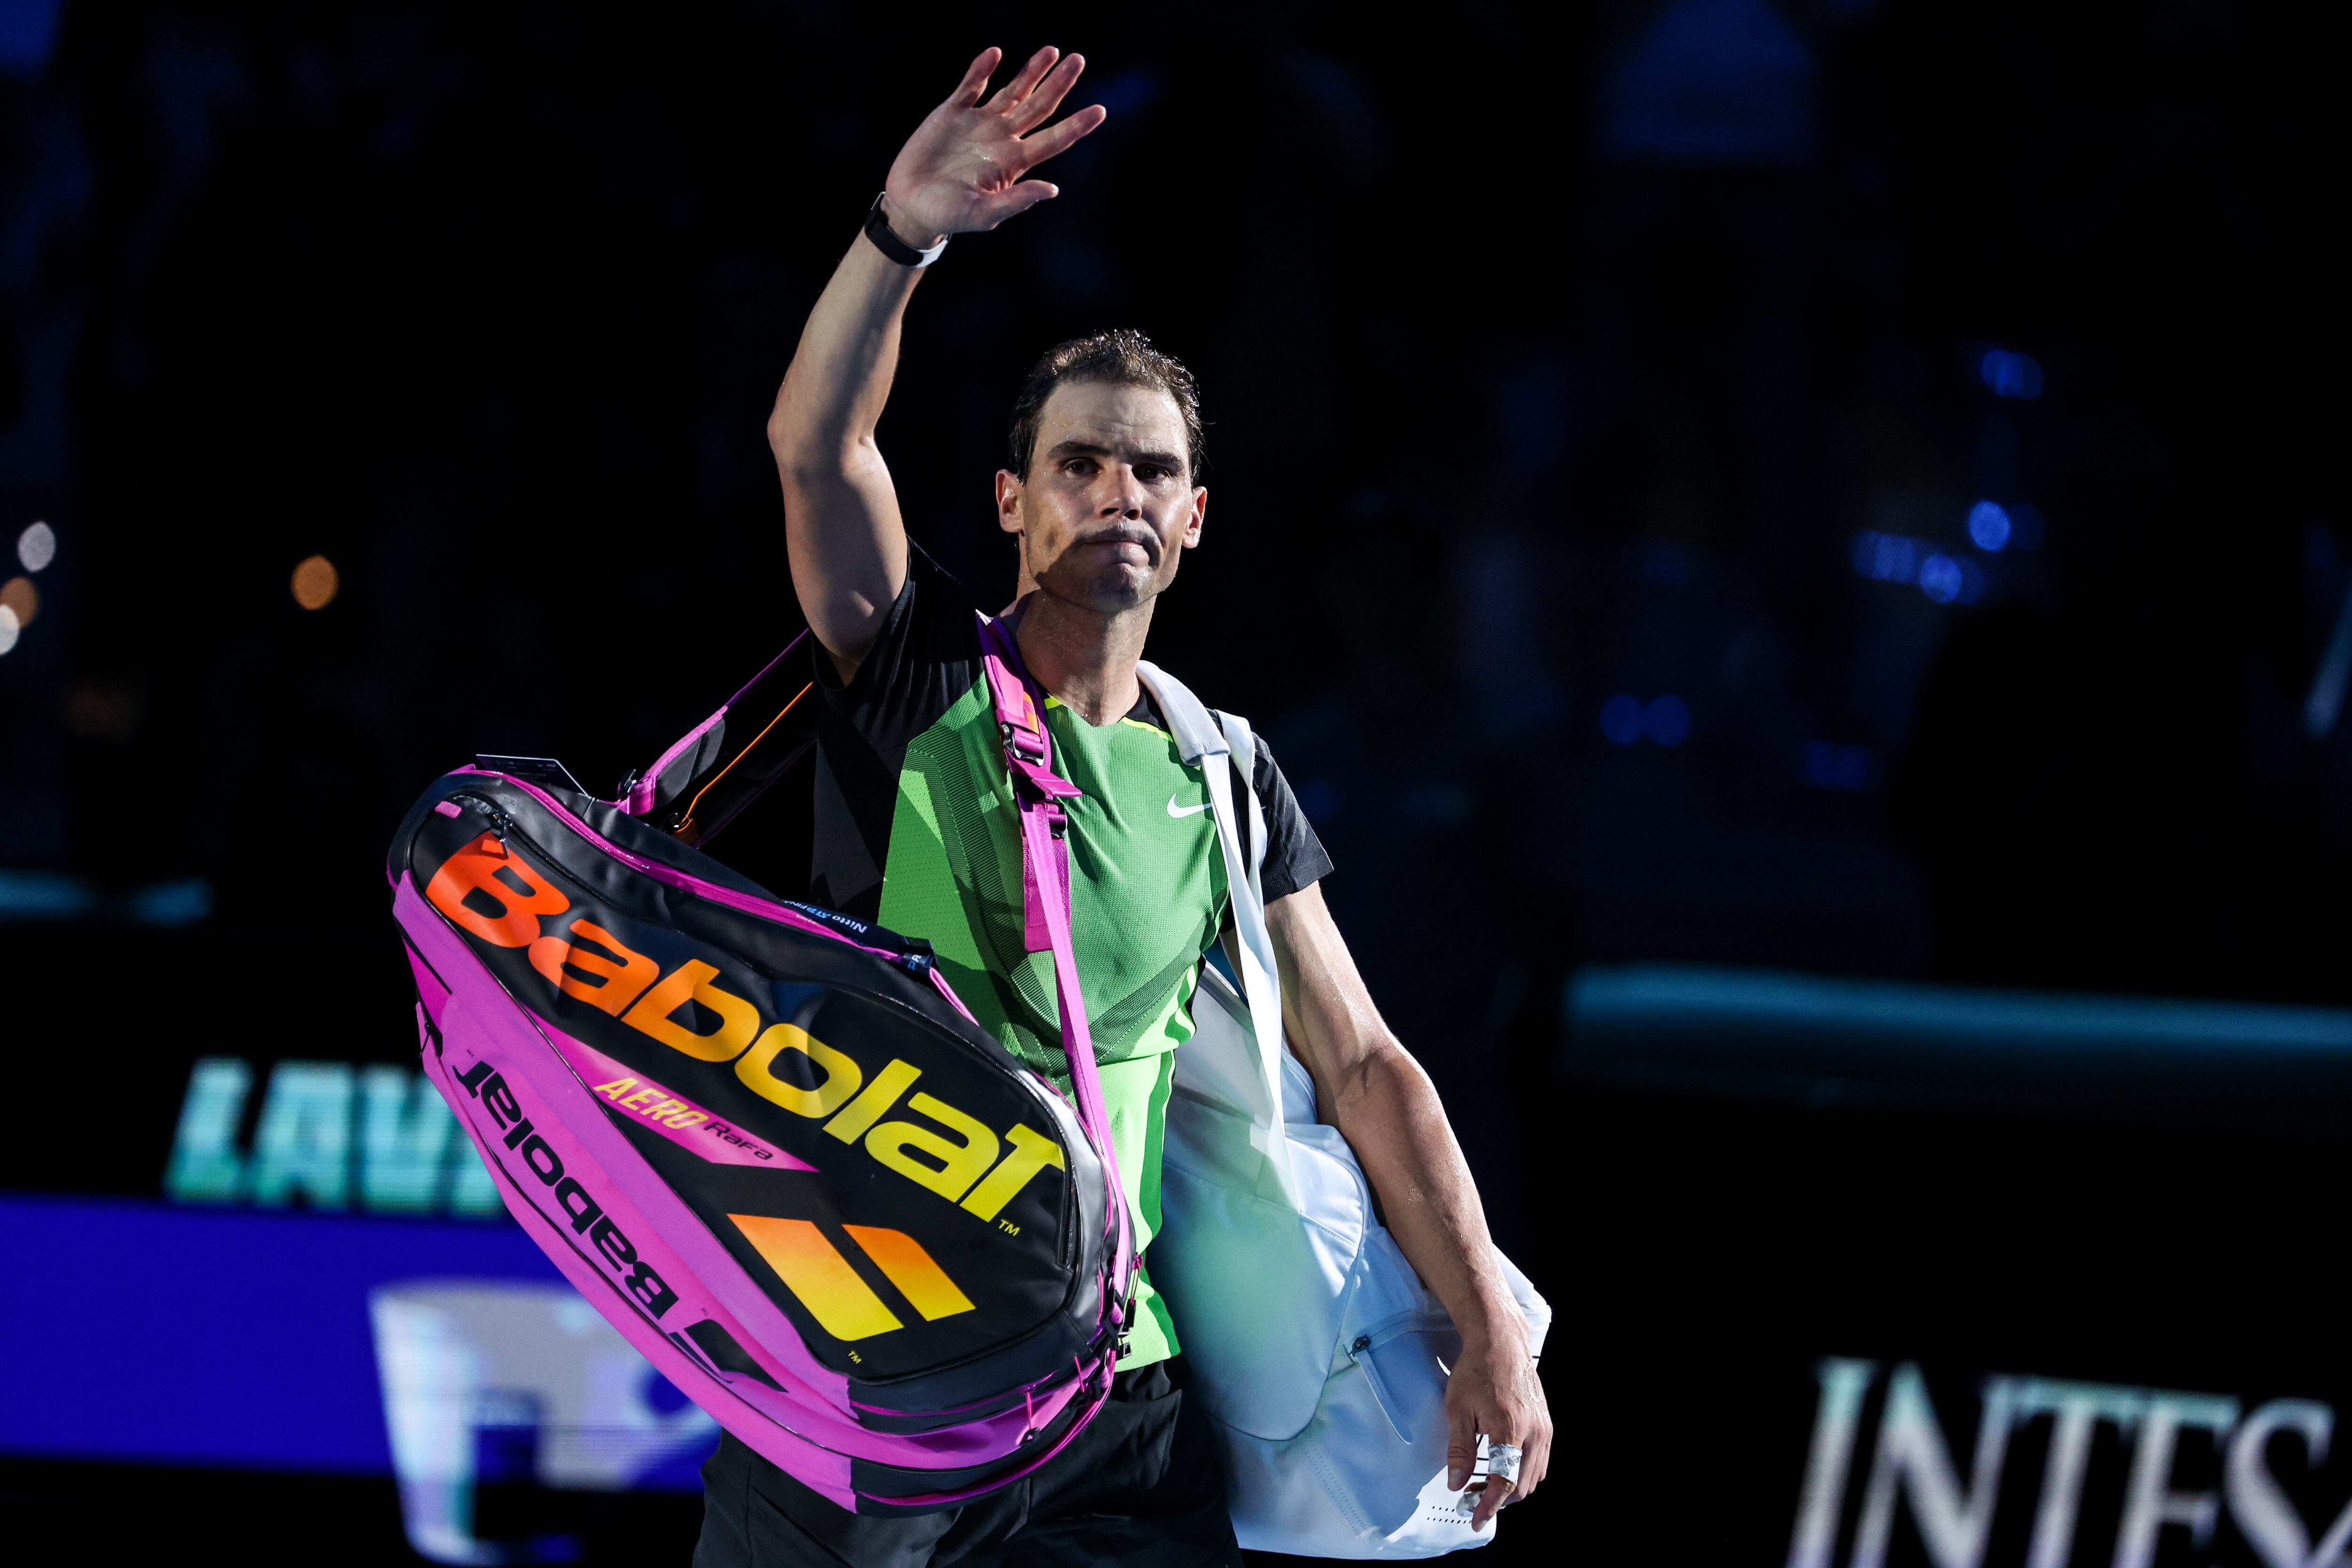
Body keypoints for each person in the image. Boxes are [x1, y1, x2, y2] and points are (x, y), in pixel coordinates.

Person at [693, 45, 1552, 1568]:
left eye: (1152, 470)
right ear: (1013, 502)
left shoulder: (1222, 765)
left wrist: (1490, 1321)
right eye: (1078, 463)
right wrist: (903, 234)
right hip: (859, 1375)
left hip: (1108, 1400)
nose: (1120, 494)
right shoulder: (914, 679)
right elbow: (814, 449)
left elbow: (1361, 1062)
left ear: (1197, 517)